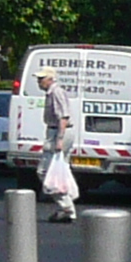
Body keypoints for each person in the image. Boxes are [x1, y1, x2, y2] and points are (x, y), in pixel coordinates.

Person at [36, 72, 81, 223]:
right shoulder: (52, 93)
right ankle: (70, 197)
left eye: (41, 79)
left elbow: (63, 116)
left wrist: (59, 140)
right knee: (62, 169)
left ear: (50, 79)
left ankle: (66, 206)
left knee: (45, 171)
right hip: (57, 131)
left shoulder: (56, 92)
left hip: (59, 132)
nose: (39, 81)